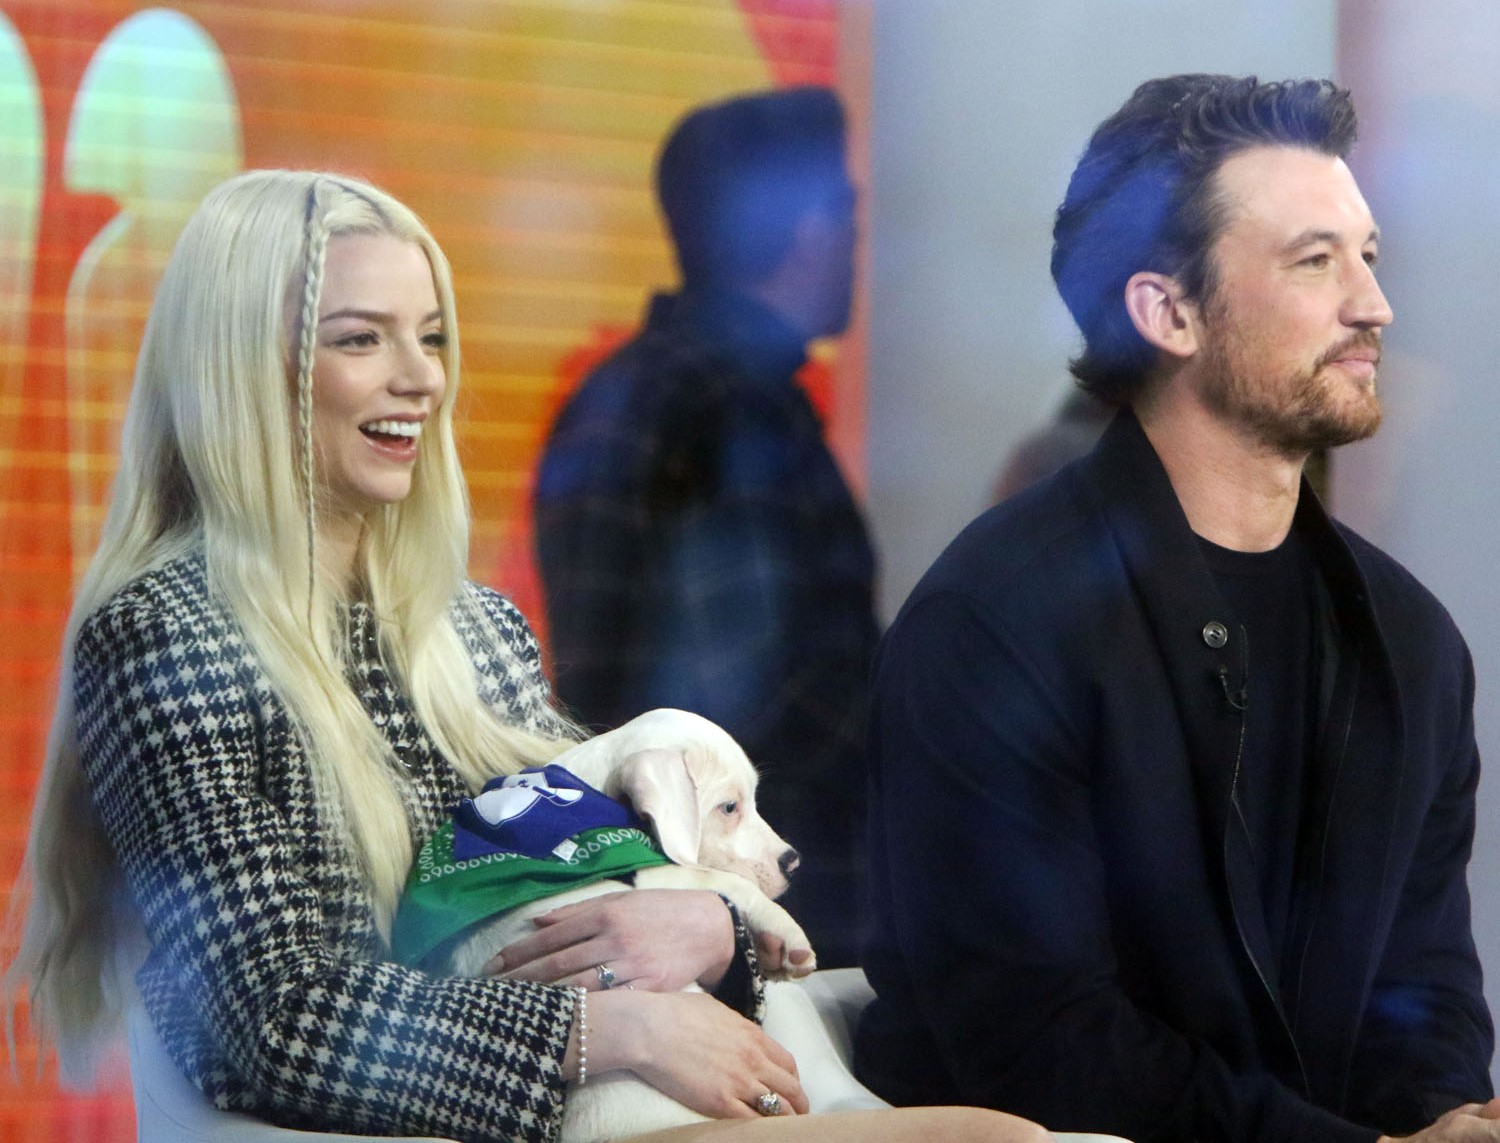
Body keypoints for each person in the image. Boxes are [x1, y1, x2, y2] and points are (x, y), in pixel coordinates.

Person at [3, 169, 1046, 1143]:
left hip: (620, 1098)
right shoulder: (165, 634)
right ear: (240, 373)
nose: (422, 378)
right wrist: (606, 1033)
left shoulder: (476, 627)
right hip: (475, 1118)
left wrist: (714, 928)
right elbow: (268, 1018)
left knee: (1014, 1129)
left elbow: (606, 880)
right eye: (362, 339)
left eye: (432, 337)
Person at [856, 75, 1498, 1143]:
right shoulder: (996, 623)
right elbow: (1036, 1038)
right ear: (1169, 312)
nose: (1373, 305)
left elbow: (1424, 978)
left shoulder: (1410, 641)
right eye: (1316, 261)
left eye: (1368, 255)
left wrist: (1442, 1120)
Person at [534, 87, 878, 969]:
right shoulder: (733, 406)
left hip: (655, 895)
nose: (858, 238)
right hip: (761, 904)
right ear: (800, 226)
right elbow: (747, 700)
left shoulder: (626, 388)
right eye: (844, 210)